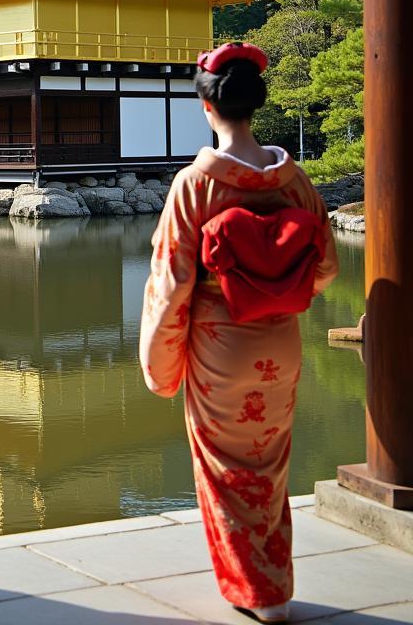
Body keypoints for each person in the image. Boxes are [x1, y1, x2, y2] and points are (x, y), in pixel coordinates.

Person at [139, 42, 339, 624]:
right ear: (257, 105)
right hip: (279, 342)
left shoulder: (195, 186)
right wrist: (278, 283)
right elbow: (326, 270)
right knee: (270, 463)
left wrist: (160, 360)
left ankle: (257, 592)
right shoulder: (295, 182)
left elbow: (173, 284)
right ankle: (273, 582)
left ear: (207, 108)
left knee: (225, 468)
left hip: (220, 344)